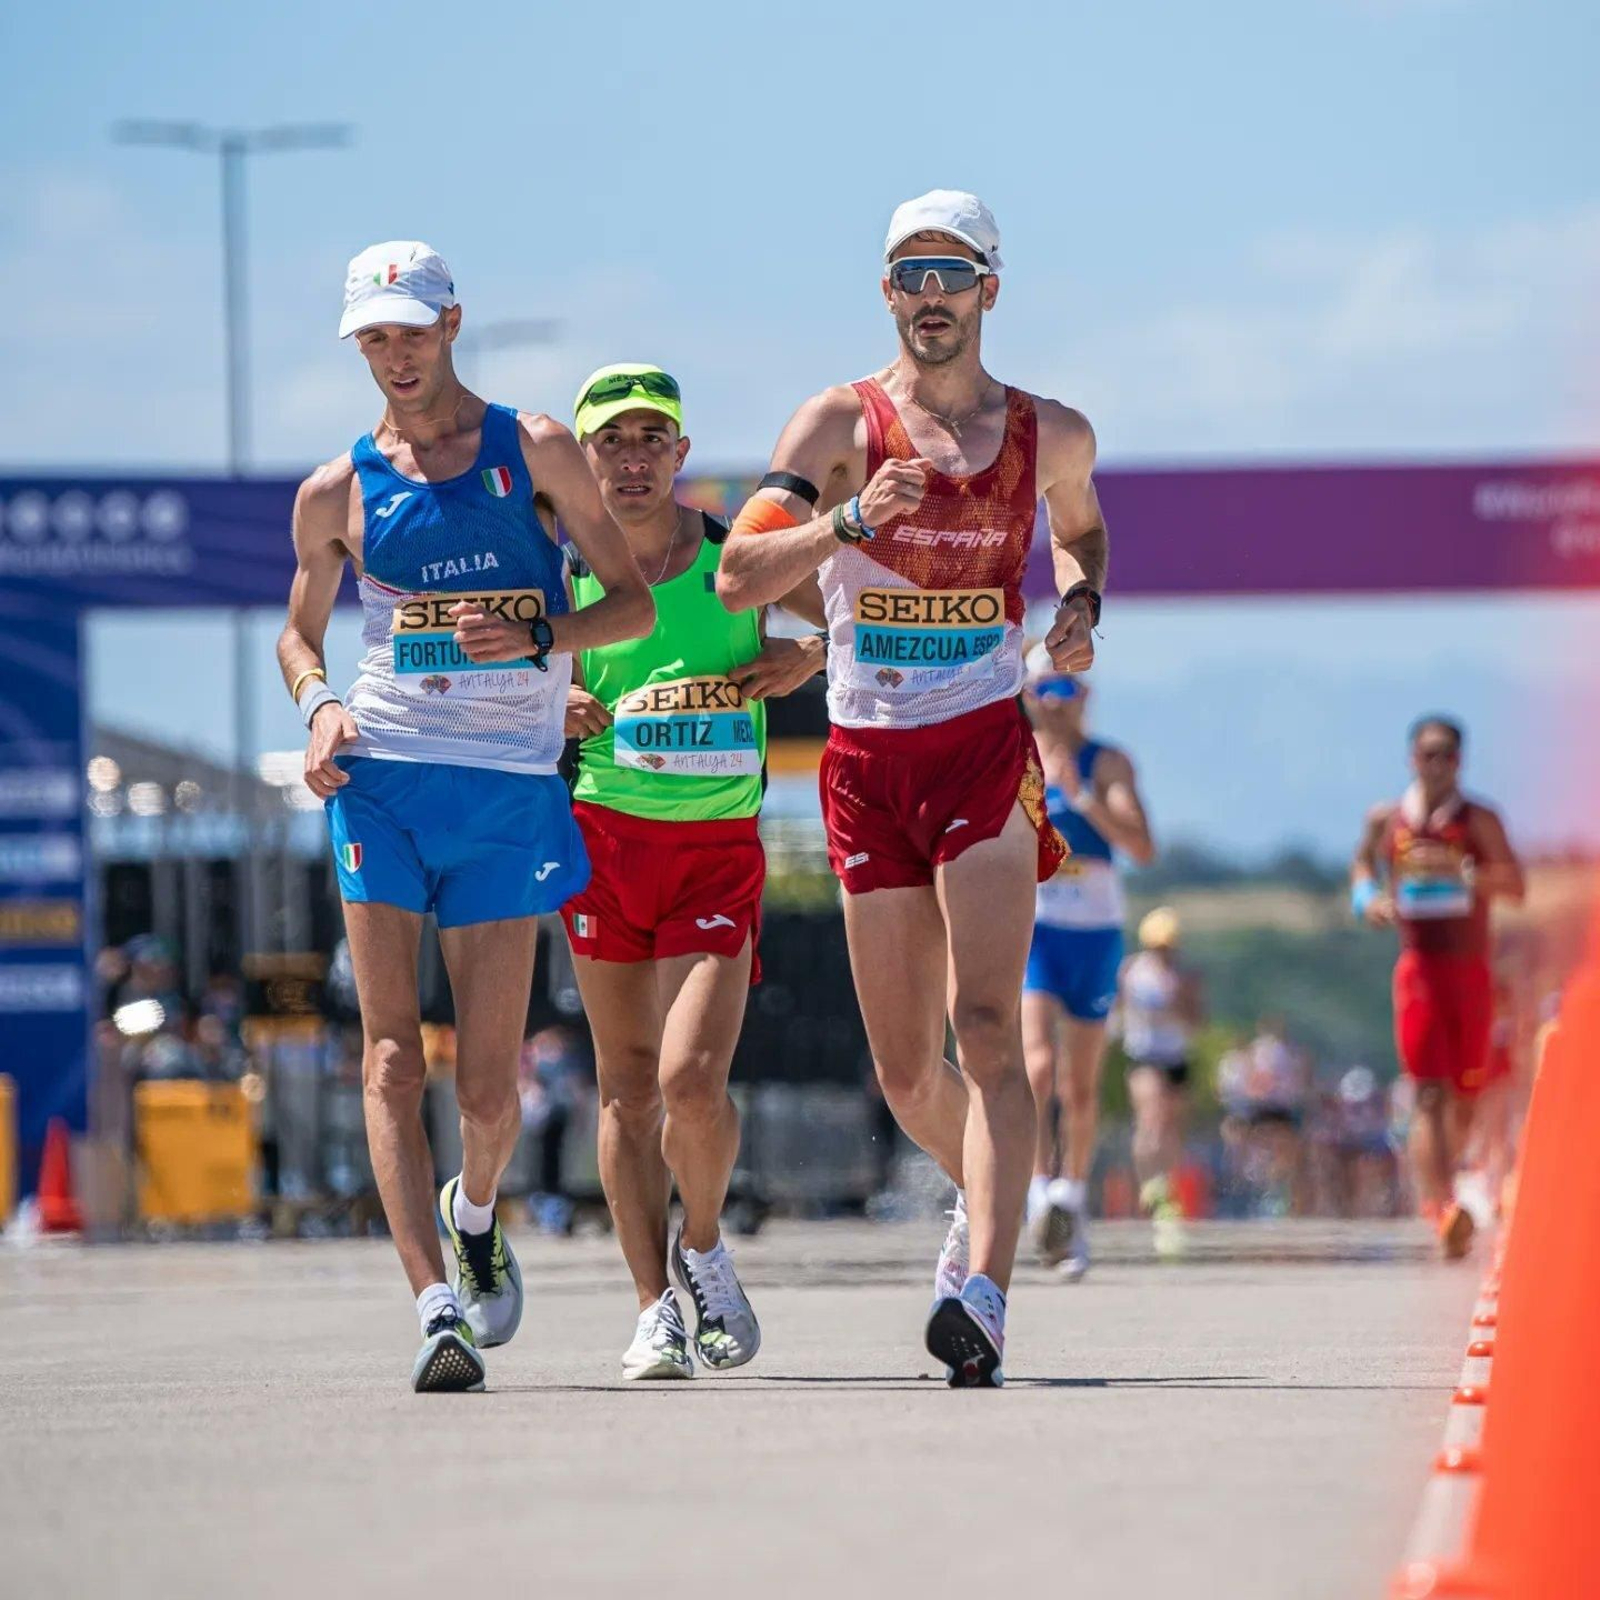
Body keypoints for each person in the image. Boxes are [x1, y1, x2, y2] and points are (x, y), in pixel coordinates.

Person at [717, 190, 1106, 1386]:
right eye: (906, 275)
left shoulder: (1051, 432)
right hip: (864, 760)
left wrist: (1080, 605)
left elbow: (1080, 533)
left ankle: (980, 1291)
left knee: (986, 1028)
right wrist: (842, 521)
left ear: (989, 288)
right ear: (886, 294)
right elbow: (737, 573)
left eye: (948, 273)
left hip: (984, 748)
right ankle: (983, 1193)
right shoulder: (841, 420)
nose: (927, 295)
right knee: (902, 1071)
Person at [277, 241, 653, 1391]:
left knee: (487, 1090)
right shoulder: (335, 488)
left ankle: (475, 1212)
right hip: (383, 775)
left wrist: (543, 638)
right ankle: (435, 1306)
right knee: (392, 1056)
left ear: (451, 324)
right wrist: (320, 704)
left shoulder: (531, 447)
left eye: (407, 331)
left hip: (506, 786)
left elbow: (630, 603)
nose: (391, 355)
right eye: (371, 338)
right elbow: (298, 630)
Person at [559, 364, 825, 1379]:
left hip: (714, 851)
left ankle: (704, 1245)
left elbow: (847, 613)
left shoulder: (735, 559)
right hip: (603, 846)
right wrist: (555, 700)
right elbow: (508, 670)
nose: (630, 461)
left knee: (691, 1079)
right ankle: (649, 1305)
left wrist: (800, 659)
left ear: (678, 453)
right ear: (585, 460)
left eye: (648, 441)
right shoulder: (563, 571)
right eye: (610, 443)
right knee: (626, 1087)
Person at [1351, 716, 1524, 1259]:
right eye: (1427, 753)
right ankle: (1442, 1206)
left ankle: (1458, 1177)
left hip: (1469, 967)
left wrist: (1469, 874)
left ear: (1459, 761)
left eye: (1446, 754)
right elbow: (1361, 868)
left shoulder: (1479, 819)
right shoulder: (1388, 818)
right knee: (1426, 1089)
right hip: (1419, 966)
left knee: (1467, 1092)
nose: (1436, 763)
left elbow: (1516, 885)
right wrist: (1369, 901)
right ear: (1411, 759)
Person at [1020, 653, 1154, 1280]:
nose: (1056, 700)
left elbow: (1142, 845)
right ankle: (1038, 1188)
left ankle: (1072, 1196)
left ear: (1085, 695)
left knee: (1079, 1083)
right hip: (1037, 929)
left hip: (1095, 933)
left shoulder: (1110, 762)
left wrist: (1080, 797)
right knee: (1036, 1067)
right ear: (1026, 692)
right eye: (1044, 687)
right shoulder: (1015, 754)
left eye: (1066, 688)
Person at [1116, 907, 1204, 1219]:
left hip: (1176, 1056)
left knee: (1172, 1127)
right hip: (1144, 1055)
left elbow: (1197, 1022)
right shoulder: (1131, 972)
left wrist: (1180, 998)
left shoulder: (1183, 978)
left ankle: (1166, 1186)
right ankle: (1149, 1184)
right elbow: (1115, 1006)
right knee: (1151, 1117)